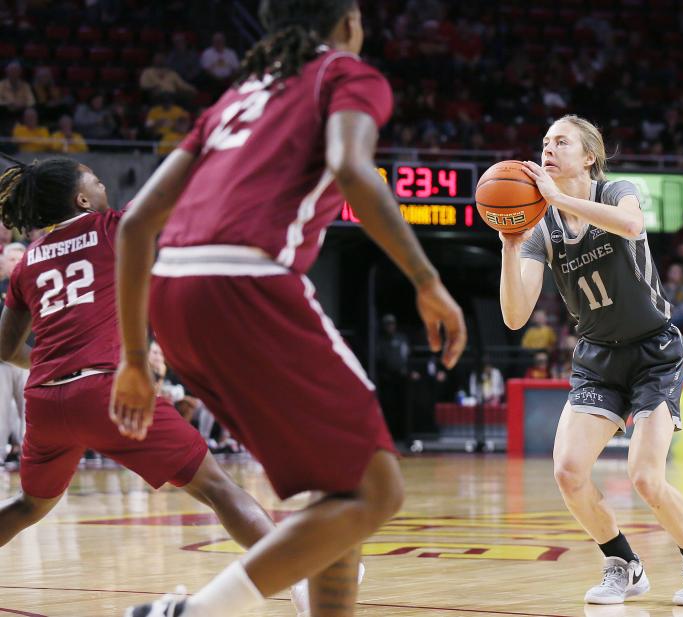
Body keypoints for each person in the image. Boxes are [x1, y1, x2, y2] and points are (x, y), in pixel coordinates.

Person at [112, 2, 466, 616]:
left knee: (341, 490)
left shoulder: (235, 98)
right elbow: (352, 168)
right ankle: (193, 614)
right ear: (352, 19)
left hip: (173, 290)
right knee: (377, 490)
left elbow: (138, 223)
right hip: (245, 279)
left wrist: (136, 360)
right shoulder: (347, 74)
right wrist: (427, 278)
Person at [0, 158, 310, 616]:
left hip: (46, 401)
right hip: (105, 391)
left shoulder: (29, 261)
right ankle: (306, 582)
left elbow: (6, 348)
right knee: (219, 489)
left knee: (29, 505)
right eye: (96, 179)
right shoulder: (114, 227)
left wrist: (52, 363)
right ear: (83, 199)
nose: (104, 183)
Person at [502, 114, 683, 607]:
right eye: (545, 142)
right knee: (568, 470)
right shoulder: (543, 230)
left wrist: (557, 198)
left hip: (653, 352)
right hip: (598, 357)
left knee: (645, 476)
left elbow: (632, 224)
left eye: (561, 141)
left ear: (588, 157)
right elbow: (516, 316)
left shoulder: (614, 190)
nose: (548, 148)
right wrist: (510, 244)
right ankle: (622, 562)